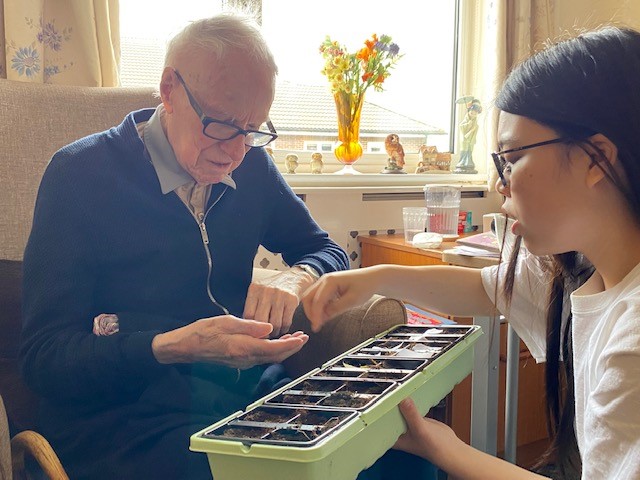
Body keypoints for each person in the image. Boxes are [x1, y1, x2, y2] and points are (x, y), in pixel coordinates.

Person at [20, 13, 349, 480]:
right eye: (221, 124)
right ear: (169, 90)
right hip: (122, 420)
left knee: (380, 447)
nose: (235, 150)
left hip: (235, 395)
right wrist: (169, 347)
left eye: (253, 128)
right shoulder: (80, 175)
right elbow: (43, 360)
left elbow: (324, 248)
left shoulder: (252, 167)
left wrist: (296, 277)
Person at [303, 26, 640, 480]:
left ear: (596, 158)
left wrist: (447, 451)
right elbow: (487, 289)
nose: (501, 182)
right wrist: (375, 277)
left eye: (512, 158)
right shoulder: (588, 268)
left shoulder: (632, 341)